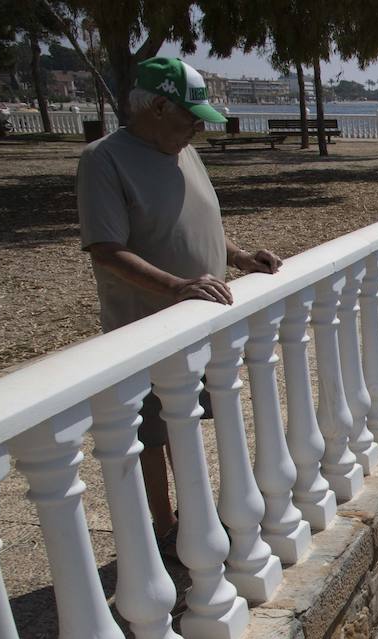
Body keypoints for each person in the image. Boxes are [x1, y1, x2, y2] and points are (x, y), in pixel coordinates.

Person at [76, 57, 282, 544]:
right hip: (144, 326)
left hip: (195, 325)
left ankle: (193, 511)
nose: (196, 127)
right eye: (190, 117)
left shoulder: (183, 150)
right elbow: (105, 249)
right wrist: (176, 286)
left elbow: (200, 224)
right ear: (160, 107)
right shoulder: (104, 160)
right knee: (152, 432)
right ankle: (164, 527)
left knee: (184, 423)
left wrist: (240, 258)